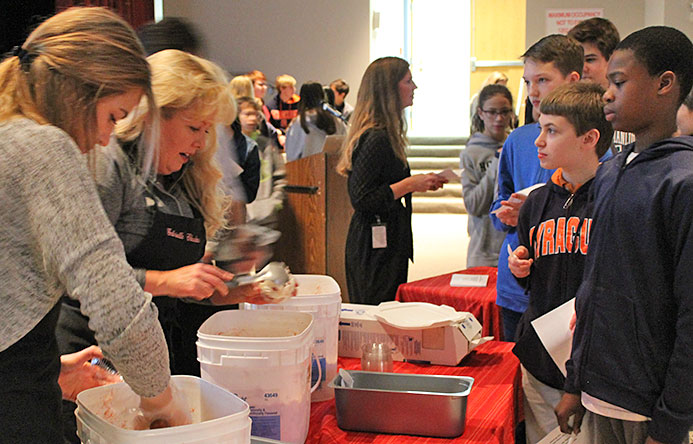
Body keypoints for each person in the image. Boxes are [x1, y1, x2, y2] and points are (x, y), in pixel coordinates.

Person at [55, 48, 264, 442]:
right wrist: (168, 281)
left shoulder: (182, 180)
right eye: (193, 128)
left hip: (157, 352)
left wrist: (226, 291)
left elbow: (179, 286)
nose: (202, 143)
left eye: (207, 130)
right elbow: (78, 277)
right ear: (153, 116)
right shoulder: (109, 167)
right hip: (93, 354)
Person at [0, 7, 188, 442]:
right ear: (80, 94)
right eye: (113, 116)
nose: (106, 139)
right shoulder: (42, 146)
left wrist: (52, 367)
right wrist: (162, 402)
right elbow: (117, 302)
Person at [555, 26, 693, 444]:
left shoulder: (683, 183)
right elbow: (592, 287)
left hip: (647, 405)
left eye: (619, 82)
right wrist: (575, 382)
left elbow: (690, 312)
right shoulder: (612, 170)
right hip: (597, 390)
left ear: (665, 84)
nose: (607, 94)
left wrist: (672, 421)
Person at [508, 82, 613, 443]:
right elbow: (533, 273)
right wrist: (521, 268)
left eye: (552, 131)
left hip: (596, 362)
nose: (539, 141)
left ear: (589, 138)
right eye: (540, 128)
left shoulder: (614, 201)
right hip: (540, 357)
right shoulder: (536, 203)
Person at [489, 34, 583, 342]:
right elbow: (497, 205)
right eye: (528, 82)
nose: (533, 92)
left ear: (572, 80)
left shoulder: (592, 143)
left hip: (565, 285)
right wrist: (506, 214)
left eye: (542, 80)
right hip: (515, 284)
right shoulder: (517, 140)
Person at [337, 57, 447, 305]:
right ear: (389, 89)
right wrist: (411, 184)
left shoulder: (385, 134)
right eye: (408, 81)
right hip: (375, 247)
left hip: (387, 240)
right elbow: (362, 198)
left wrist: (419, 182)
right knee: (377, 315)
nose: (414, 87)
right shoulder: (376, 137)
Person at [460, 84, 514, 267]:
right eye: (492, 112)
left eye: (504, 112)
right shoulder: (471, 153)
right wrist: (497, 164)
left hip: (514, 249)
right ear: (481, 113)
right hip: (484, 252)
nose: (499, 118)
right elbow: (473, 205)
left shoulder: (516, 146)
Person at [568, 17, 636, 153]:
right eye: (577, 60)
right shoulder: (564, 116)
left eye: (590, 60)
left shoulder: (632, 112)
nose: (582, 68)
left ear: (612, 60)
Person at [238, 96, 287, 230]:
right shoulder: (232, 146)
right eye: (247, 114)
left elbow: (280, 176)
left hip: (265, 217)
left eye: (255, 114)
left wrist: (274, 202)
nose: (252, 118)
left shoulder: (266, 144)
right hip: (239, 219)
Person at [285, 82, 347, 161]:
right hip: (332, 168)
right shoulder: (336, 121)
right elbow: (345, 146)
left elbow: (291, 155)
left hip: (306, 170)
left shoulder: (299, 123)